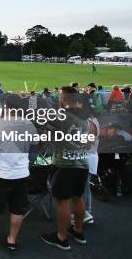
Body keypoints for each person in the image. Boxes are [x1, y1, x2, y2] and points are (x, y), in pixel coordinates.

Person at [0, 94, 38, 252]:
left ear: (6, 107)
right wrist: (27, 164)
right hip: (21, 174)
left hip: (1, 175)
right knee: (17, 209)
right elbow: (35, 148)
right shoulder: (29, 124)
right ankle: (12, 240)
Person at [40, 86, 97, 251]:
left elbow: (44, 135)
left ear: (63, 99)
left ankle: (61, 237)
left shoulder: (60, 116)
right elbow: (89, 142)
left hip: (64, 164)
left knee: (62, 201)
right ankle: (78, 231)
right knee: (78, 197)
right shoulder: (88, 118)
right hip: (81, 162)